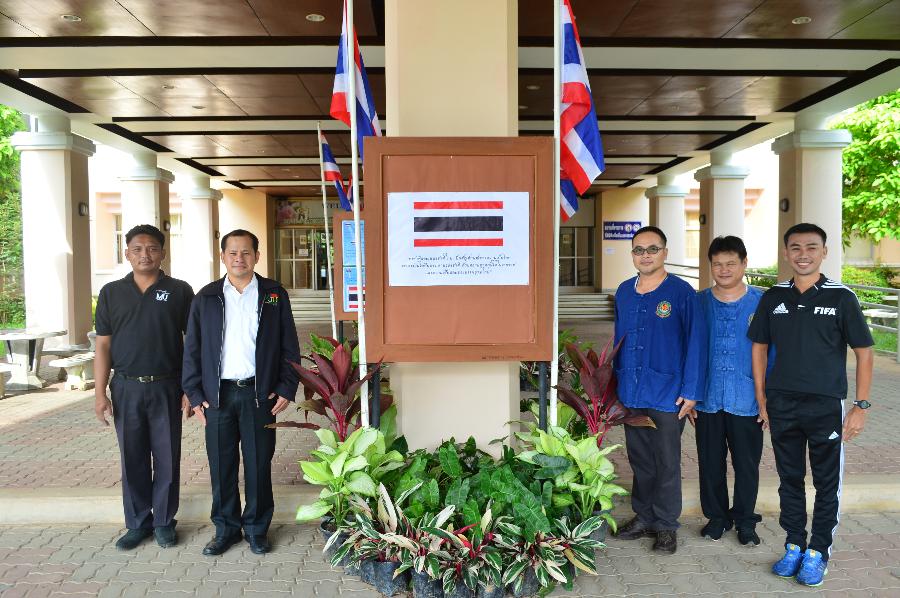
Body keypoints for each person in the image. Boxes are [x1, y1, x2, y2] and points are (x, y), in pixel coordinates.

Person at [748, 222, 874, 587]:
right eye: (796, 248)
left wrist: (860, 406)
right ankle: (793, 545)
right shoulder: (773, 297)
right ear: (786, 253)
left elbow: (864, 353)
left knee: (826, 483)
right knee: (789, 479)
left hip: (825, 406)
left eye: (811, 247)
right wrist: (762, 397)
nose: (803, 254)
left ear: (824, 252)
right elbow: (759, 347)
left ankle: (818, 552)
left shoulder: (841, 297)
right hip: (782, 404)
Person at [182, 229, 300, 556]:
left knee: (259, 464)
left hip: (259, 395)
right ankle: (226, 529)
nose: (239, 258)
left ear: (256, 256)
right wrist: (194, 394)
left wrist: (286, 387)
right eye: (232, 252)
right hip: (217, 396)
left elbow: (289, 345)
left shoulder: (273, 294)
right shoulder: (206, 297)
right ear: (222, 257)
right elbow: (191, 349)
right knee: (222, 466)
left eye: (246, 252)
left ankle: (257, 530)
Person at [94, 224, 194, 551]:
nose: (144, 254)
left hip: (167, 386)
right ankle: (137, 523)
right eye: (137, 249)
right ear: (127, 253)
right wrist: (99, 393)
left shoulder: (179, 291)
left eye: (151, 248)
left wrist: (189, 388)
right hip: (126, 388)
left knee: (167, 457)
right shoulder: (111, 292)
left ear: (162, 252)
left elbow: (193, 343)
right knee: (132, 457)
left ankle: (164, 521)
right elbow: (103, 345)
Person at [612, 225, 706, 554]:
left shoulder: (681, 292)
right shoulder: (624, 291)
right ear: (632, 254)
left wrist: (692, 391)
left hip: (668, 392)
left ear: (665, 252)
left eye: (652, 249)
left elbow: (696, 342)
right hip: (632, 391)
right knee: (640, 459)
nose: (645, 255)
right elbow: (618, 341)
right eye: (639, 250)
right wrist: (614, 387)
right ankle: (644, 517)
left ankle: (666, 525)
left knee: (666, 461)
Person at [695, 236, 766, 546]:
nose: (724, 270)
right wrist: (690, 394)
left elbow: (774, 352)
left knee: (746, 465)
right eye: (717, 264)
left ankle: (746, 521)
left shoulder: (762, 302)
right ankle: (717, 518)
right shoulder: (698, 302)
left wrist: (767, 399)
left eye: (731, 264)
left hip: (747, 399)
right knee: (710, 463)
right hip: (707, 398)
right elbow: (688, 350)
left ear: (744, 263)